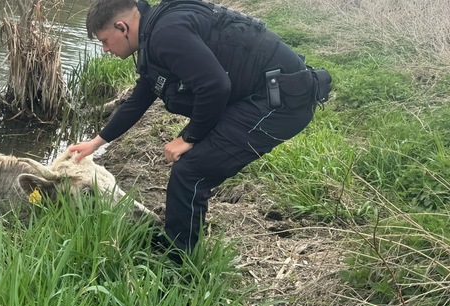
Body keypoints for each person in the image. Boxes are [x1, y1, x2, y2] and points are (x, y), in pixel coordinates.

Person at [68, 0, 330, 258]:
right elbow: (141, 97)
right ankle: (177, 242)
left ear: (122, 27)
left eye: (104, 40)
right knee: (192, 166)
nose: (104, 49)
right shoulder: (157, 30)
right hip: (263, 94)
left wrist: (188, 137)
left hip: (281, 103)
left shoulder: (165, 34)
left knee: (191, 170)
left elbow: (215, 86)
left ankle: (179, 265)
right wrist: (96, 143)